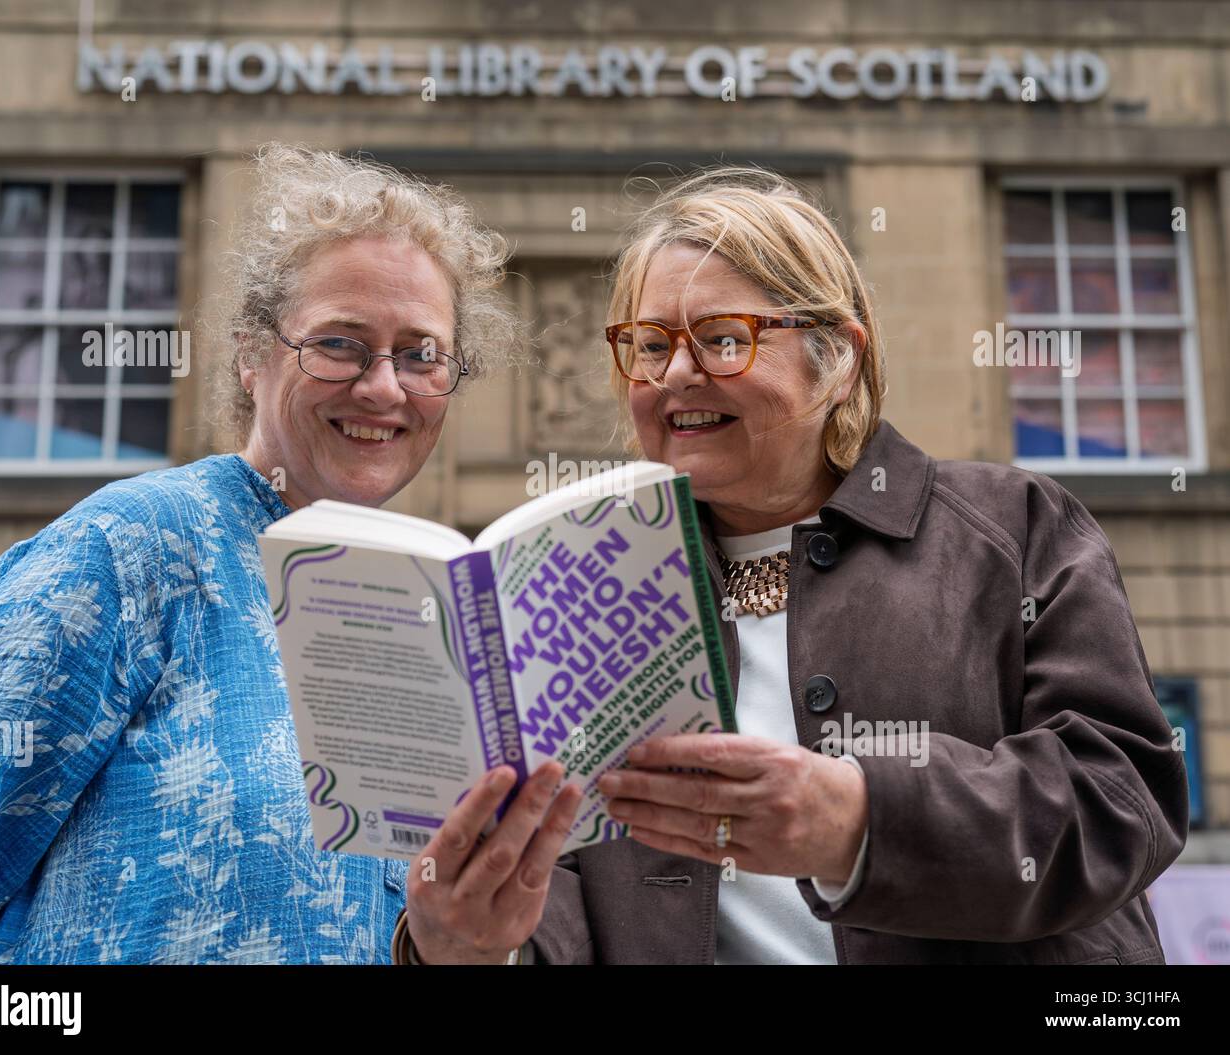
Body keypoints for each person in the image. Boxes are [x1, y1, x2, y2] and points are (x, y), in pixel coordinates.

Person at [395, 167, 1188, 965]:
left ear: (835, 357)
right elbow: (566, 881)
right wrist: (473, 947)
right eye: (649, 344)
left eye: (724, 339)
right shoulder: (584, 587)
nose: (675, 374)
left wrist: (858, 818)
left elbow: (1122, 797)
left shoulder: (1011, 529)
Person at [0, 143, 519, 963]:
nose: (384, 387)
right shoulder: (135, 548)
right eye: (341, 344)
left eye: (421, 354)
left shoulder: (433, 609)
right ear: (252, 353)